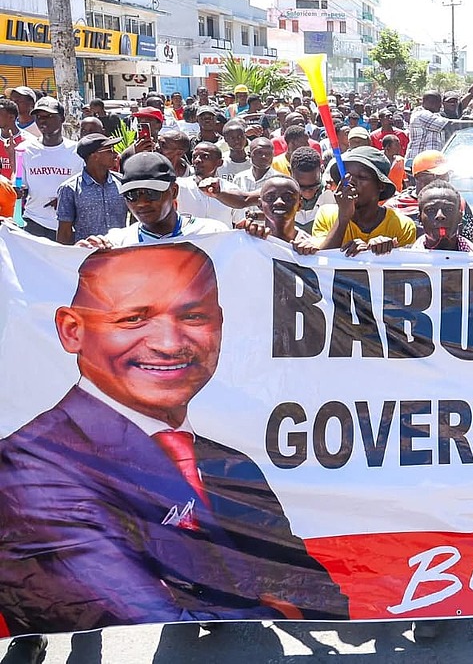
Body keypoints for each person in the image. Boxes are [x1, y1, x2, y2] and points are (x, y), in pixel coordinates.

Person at [0, 243, 349, 636]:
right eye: (133, 319)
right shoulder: (29, 468)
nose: (169, 343)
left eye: (193, 316)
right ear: (72, 330)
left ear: (219, 325)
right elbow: (146, 628)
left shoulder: (228, 463)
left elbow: (318, 595)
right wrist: (275, 616)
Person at [78, 153, 230, 248]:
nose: (141, 203)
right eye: (132, 195)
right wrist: (80, 257)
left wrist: (252, 238)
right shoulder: (117, 243)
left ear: (174, 191)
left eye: (151, 193)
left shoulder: (213, 234)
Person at [312, 146, 417, 256]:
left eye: (362, 177)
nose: (351, 182)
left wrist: (383, 254)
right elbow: (320, 260)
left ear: (381, 186)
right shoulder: (326, 214)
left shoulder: (402, 226)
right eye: (347, 175)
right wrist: (343, 218)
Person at [14, 97, 80, 240]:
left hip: (67, 225)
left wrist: (65, 200)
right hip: (34, 222)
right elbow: (20, 185)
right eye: (38, 117)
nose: (43, 121)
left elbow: (84, 187)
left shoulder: (77, 151)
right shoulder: (23, 150)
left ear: (62, 118)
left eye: (49, 116)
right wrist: (18, 191)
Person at [52, 134, 126, 245]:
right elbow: (64, 233)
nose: (115, 154)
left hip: (120, 253)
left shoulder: (123, 182)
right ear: (94, 156)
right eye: (109, 150)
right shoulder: (70, 189)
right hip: (88, 256)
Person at [413, 182, 473, 253]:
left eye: (448, 209)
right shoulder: (404, 256)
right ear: (420, 218)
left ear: (460, 217)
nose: (440, 216)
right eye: (431, 210)